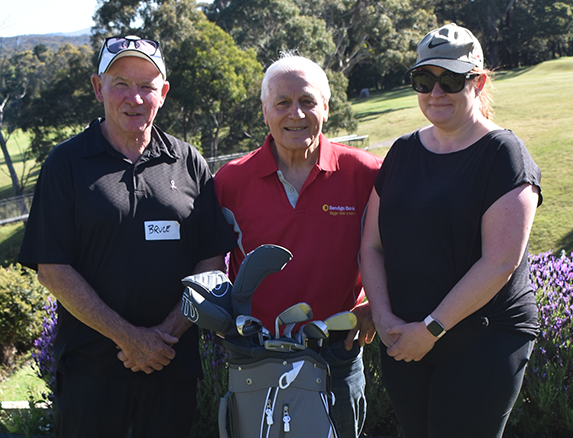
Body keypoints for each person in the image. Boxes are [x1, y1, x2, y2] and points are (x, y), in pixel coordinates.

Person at [18, 35, 236, 438]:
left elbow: (210, 262)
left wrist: (164, 336)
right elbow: (51, 268)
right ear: (98, 87)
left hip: (172, 365)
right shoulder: (65, 164)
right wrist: (130, 338)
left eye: (147, 86)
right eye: (120, 83)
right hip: (90, 373)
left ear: (164, 93)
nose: (134, 98)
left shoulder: (189, 163)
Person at [360, 23, 543, 438]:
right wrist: (386, 317)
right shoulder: (403, 151)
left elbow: (500, 262)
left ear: (477, 82)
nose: (436, 91)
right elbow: (371, 246)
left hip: (482, 339)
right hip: (403, 338)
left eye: (451, 79)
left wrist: (430, 329)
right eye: (424, 79)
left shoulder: (504, 155)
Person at [213, 54, 383, 438]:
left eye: (307, 101)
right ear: (265, 111)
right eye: (283, 102)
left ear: (326, 106)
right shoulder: (230, 181)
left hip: (337, 357)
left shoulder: (367, 172)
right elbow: (211, 266)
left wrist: (378, 304)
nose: (296, 113)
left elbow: (403, 249)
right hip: (256, 358)